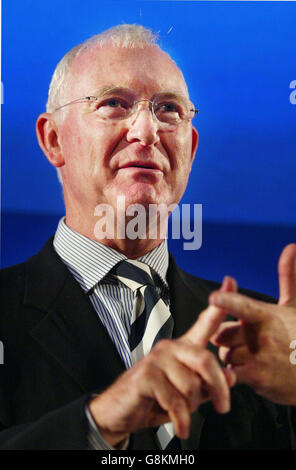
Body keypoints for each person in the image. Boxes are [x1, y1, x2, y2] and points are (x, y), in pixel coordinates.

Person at [0, 24, 295, 451]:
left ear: (190, 150)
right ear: (53, 140)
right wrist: (97, 423)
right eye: (114, 104)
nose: (146, 131)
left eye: (168, 110)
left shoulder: (265, 334)